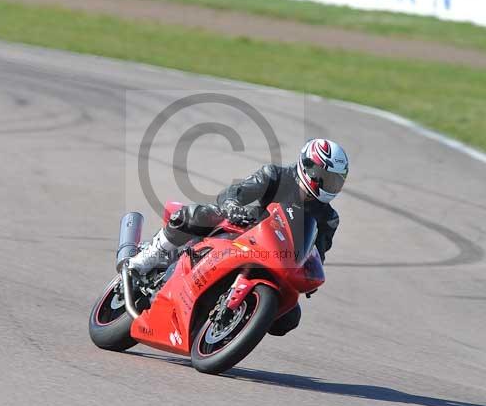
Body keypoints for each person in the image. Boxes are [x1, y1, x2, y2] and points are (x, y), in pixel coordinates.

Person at [126, 138, 349, 335]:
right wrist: (232, 205)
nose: (331, 186)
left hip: (278, 260)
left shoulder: (328, 218)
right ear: (309, 167)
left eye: (336, 181)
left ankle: (238, 324)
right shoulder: (275, 175)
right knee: (200, 214)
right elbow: (235, 192)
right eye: (326, 178)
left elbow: (316, 253)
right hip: (241, 232)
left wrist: (310, 276)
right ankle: (152, 255)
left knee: (289, 318)